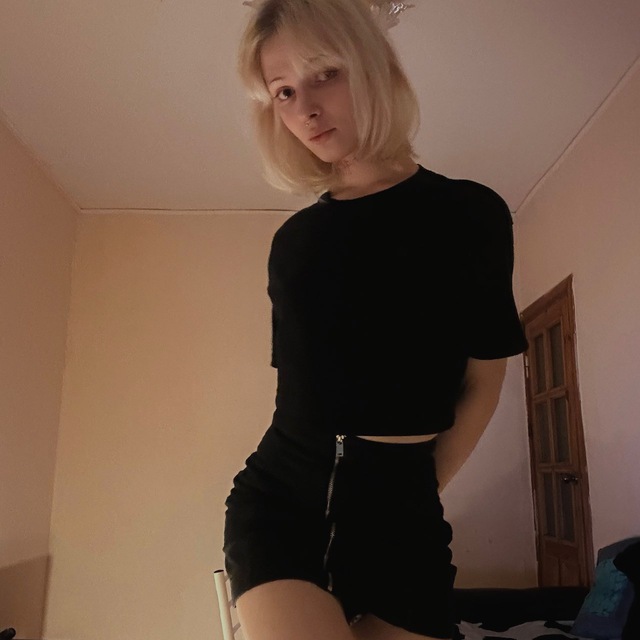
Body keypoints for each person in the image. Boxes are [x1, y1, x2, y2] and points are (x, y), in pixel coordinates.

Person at [222, 1, 529, 639]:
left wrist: (414, 490)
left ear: (374, 67)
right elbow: (304, 388)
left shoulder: (470, 215)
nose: (306, 108)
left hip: (405, 510)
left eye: (324, 74)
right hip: (284, 498)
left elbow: (484, 381)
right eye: (283, 91)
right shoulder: (295, 244)